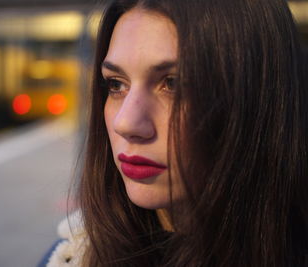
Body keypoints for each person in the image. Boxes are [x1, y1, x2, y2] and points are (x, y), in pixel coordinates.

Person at [43, 0, 308, 266]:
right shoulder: (71, 257)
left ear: (257, 96)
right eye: (116, 84)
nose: (125, 123)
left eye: (174, 83)